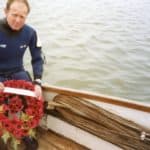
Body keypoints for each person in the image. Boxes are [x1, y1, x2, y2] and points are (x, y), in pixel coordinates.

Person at [0, 0, 44, 149]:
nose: (18, 20)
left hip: (18, 71)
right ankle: (3, 133)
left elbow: (37, 59)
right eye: (14, 15)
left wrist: (38, 82)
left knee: (32, 97)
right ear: (5, 11)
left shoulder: (31, 33)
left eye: (22, 16)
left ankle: (25, 132)